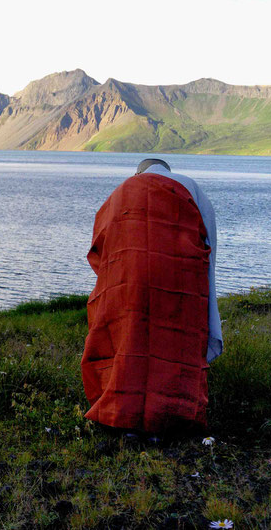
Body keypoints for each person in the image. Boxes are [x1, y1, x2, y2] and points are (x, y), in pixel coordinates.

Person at [81, 159, 222, 434]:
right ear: (167, 170)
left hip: (129, 279)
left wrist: (115, 273)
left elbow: (100, 241)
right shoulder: (191, 186)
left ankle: (122, 418)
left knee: (129, 345)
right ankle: (171, 420)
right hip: (177, 278)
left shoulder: (122, 189)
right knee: (171, 344)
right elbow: (209, 240)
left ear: (139, 173)